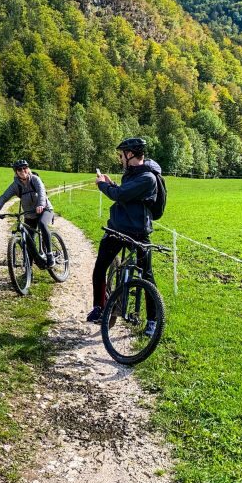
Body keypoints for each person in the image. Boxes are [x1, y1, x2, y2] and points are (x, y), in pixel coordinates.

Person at [88, 137, 160, 335]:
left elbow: (119, 196)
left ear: (131, 154)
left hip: (138, 231)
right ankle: (99, 308)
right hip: (117, 229)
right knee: (100, 267)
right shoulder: (131, 174)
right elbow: (125, 194)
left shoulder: (148, 178)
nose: (120, 159)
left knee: (147, 275)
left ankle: (153, 320)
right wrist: (113, 184)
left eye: (121, 155)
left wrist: (103, 185)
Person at [0, 159, 56, 267]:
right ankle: (29, 268)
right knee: (29, 240)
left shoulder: (35, 179)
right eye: (19, 169)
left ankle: (49, 254)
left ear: (28, 169)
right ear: (16, 172)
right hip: (30, 214)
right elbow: (4, 197)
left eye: (24, 168)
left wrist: (41, 204)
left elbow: (42, 191)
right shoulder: (15, 185)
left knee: (42, 225)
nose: (22, 171)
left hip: (45, 210)